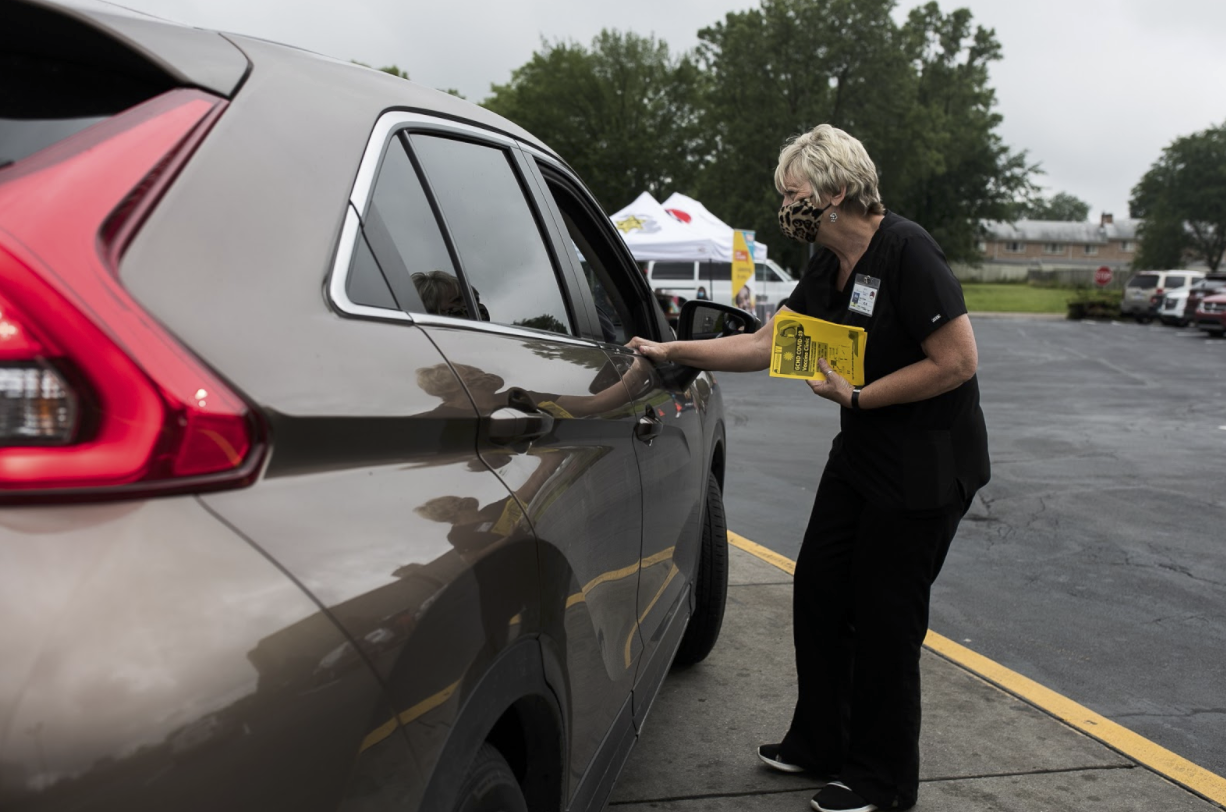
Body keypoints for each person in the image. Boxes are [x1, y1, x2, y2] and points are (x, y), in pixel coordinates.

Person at [628, 123, 989, 812]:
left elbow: (958, 362)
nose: (785, 206)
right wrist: (674, 351)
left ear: (837, 191)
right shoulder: (829, 260)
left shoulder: (908, 252)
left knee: (885, 618)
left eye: (794, 194)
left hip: (924, 465)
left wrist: (861, 396)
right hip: (863, 453)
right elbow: (769, 343)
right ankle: (822, 742)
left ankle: (882, 781)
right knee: (820, 589)